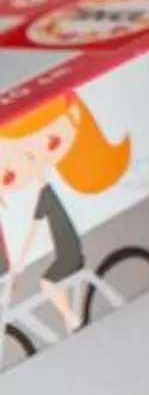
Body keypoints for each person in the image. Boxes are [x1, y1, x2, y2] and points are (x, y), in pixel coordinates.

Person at [0, 92, 132, 333]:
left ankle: (71, 318)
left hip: (68, 249)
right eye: (8, 174)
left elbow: (34, 228)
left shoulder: (47, 194)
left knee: (46, 283)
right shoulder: (43, 193)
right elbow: (34, 226)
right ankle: (74, 322)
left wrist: (21, 260)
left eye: (50, 142)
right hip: (64, 248)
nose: (31, 161)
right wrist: (19, 261)